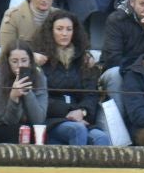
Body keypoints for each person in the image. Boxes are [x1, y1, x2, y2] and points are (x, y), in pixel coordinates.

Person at [35, 10, 109, 146]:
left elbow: (91, 94)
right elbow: (41, 96)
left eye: (69, 29)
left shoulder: (84, 59)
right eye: (59, 29)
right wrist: (69, 112)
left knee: (102, 138)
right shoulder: (41, 60)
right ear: (50, 31)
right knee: (77, 130)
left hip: (80, 117)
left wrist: (82, 111)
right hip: (53, 119)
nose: (64, 34)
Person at [0, 41, 49, 142]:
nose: (20, 65)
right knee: (19, 133)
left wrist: (27, 91)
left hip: (28, 124)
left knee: (39, 134)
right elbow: (8, 120)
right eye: (14, 61)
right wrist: (13, 97)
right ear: (7, 61)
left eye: (24, 60)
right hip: (0, 126)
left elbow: (38, 119)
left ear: (30, 61)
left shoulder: (39, 76)